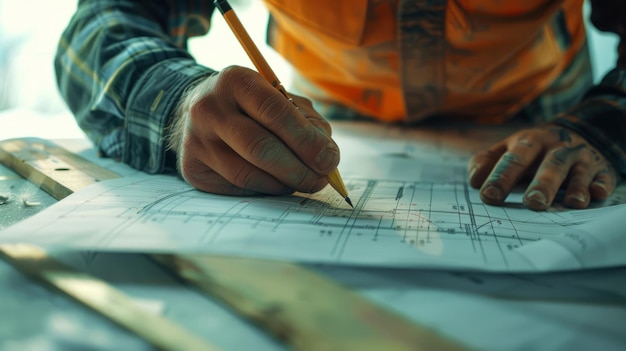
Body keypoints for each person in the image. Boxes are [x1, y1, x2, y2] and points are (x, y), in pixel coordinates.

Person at [55, 0, 624, 211]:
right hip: (326, 114)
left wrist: (606, 124)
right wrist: (179, 105)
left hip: (542, 123)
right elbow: (104, 21)